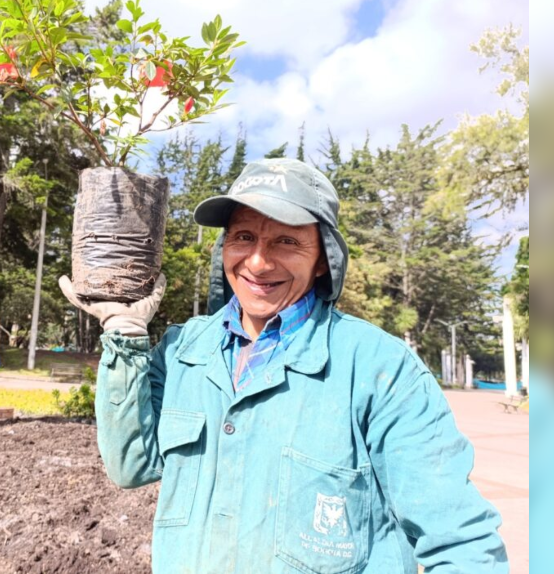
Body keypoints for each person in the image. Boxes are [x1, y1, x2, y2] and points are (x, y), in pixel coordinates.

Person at [59, 159, 509, 573]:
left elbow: (460, 542)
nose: (258, 261)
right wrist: (125, 335)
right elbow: (130, 464)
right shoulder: (182, 351)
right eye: (243, 237)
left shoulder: (380, 368)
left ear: (322, 261)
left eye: (287, 241)